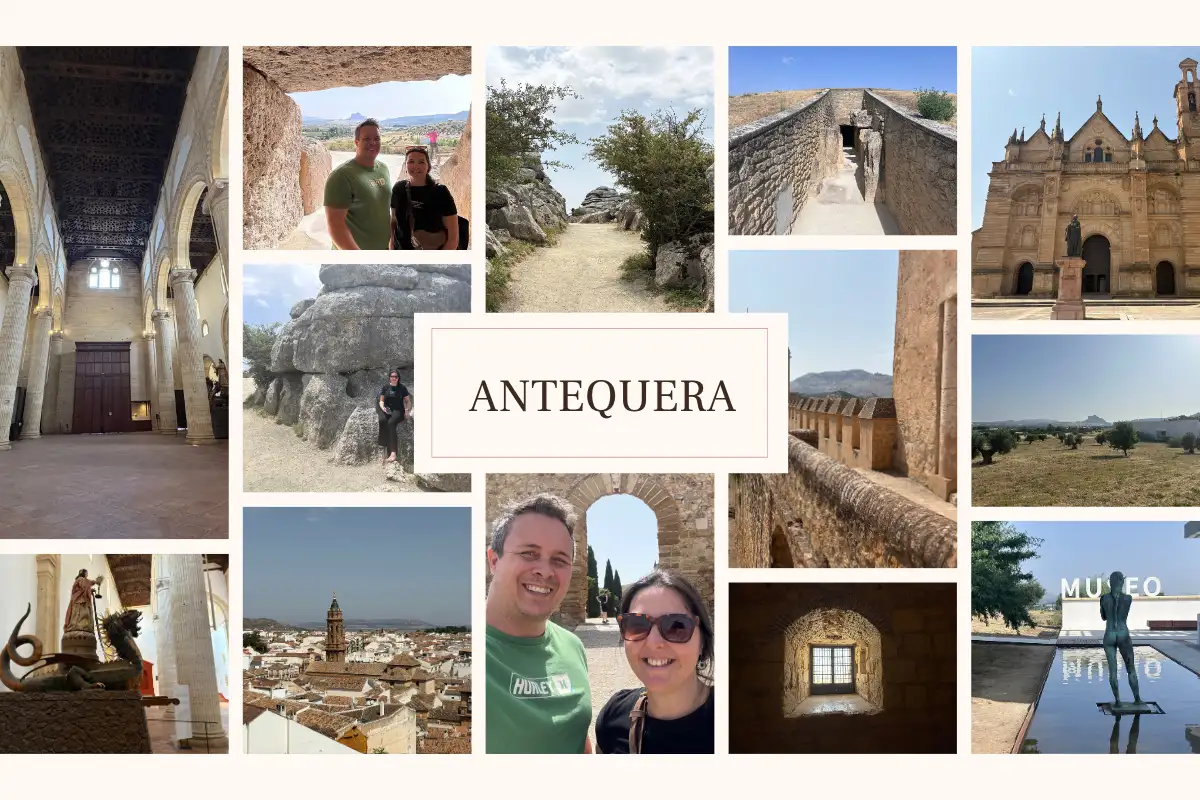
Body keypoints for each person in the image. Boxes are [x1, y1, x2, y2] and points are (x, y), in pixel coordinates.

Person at [486, 494, 593, 754]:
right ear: (494, 561)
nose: (545, 571)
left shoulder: (572, 646)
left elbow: (578, 739)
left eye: (559, 560)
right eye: (529, 553)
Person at [595, 569, 714, 754]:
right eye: (637, 625)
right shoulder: (612, 719)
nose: (654, 642)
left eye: (676, 626)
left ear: (702, 642)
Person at [323, 118, 392, 250]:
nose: (372, 143)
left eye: (377, 139)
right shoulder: (341, 176)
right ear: (356, 142)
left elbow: (383, 211)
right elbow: (335, 227)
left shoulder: (383, 169)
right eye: (366, 139)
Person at [390, 145, 458, 250]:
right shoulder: (398, 189)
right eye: (411, 161)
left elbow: (453, 238)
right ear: (406, 165)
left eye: (421, 162)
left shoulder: (440, 192)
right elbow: (393, 221)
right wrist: (391, 247)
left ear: (428, 166)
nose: (416, 166)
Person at [1100, 570, 1143, 707]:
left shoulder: (1104, 598)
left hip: (1109, 636)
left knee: (1113, 671)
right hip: (1123, 634)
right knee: (1131, 669)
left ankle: (1118, 701)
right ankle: (1137, 699)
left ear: (1110, 583)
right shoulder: (1128, 598)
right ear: (1122, 582)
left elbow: (1104, 617)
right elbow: (1122, 613)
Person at [376, 370, 411, 464]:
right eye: (392, 376)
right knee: (382, 420)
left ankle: (393, 453)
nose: (394, 378)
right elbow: (381, 401)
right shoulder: (386, 387)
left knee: (391, 423)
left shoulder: (402, 388)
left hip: (398, 410)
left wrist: (407, 411)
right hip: (386, 408)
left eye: (396, 376)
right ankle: (382, 445)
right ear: (389, 378)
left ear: (398, 378)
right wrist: (383, 408)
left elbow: (407, 401)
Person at [65, 569, 101, 636]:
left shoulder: (83, 580)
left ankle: (84, 627)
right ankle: (76, 626)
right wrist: (95, 582)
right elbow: (84, 585)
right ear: (83, 573)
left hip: (83, 600)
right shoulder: (80, 579)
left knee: (85, 614)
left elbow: (85, 588)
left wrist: (90, 590)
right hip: (79, 600)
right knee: (78, 614)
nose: (87, 575)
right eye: (86, 573)